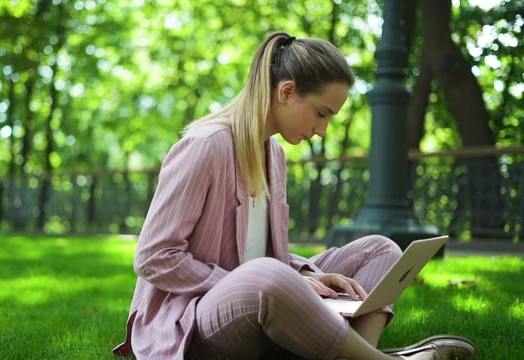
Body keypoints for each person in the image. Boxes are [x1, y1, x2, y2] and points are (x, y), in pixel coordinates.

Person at [112, 31, 476, 360]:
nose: (322, 130)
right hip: (194, 321)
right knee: (267, 275)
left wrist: (304, 272)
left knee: (381, 250)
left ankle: (361, 353)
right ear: (286, 92)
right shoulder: (205, 146)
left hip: (260, 299)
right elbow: (154, 257)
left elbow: (259, 255)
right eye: (321, 113)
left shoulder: (275, 155)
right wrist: (274, 277)